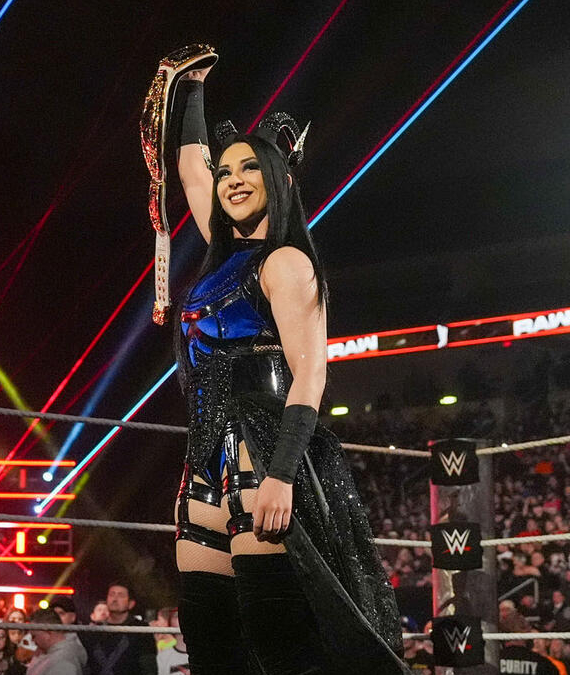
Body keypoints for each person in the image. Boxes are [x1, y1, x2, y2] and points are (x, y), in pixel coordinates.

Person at [160, 46, 404, 675]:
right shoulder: (226, 255)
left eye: (251, 167)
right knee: (209, 637)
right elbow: (190, 171)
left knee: (278, 640)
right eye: (227, 170)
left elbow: (311, 372)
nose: (233, 179)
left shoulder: (285, 262)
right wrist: (190, 89)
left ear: (280, 180)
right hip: (206, 454)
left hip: (264, 449)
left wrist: (281, 473)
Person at [83, 583, 154, 675]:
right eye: (111, 594)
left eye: (121, 595)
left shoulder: (140, 629)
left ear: (131, 604)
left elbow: (148, 666)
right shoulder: (95, 630)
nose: (114, 599)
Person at [25, 610, 85, 675]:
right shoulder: (48, 654)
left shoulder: (63, 663)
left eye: (34, 636)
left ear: (47, 633)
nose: (32, 640)